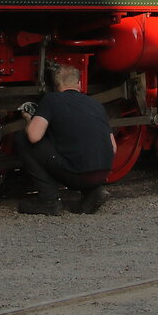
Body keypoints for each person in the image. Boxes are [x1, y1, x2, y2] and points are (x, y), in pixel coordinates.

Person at [13, 63, 116, 215]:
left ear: (56, 86)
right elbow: (113, 147)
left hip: (76, 175)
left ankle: (50, 201)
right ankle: (93, 192)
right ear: (80, 84)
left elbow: (34, 137)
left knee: (23, 139)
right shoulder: (96, 104)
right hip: (103, 174)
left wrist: (29, 118)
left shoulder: (51, 100)